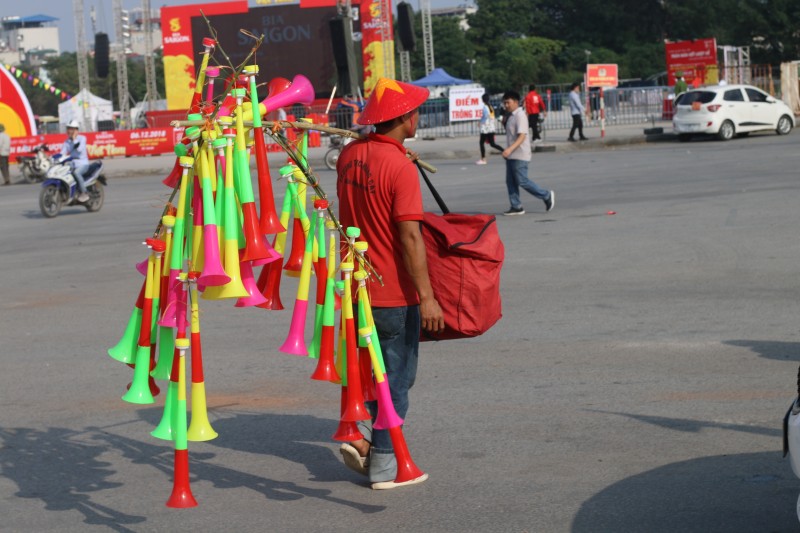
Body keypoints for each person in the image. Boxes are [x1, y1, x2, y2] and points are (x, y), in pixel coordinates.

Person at [336, 77, 445, 490]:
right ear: (403, 118)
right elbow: (410, 237)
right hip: (393, 291)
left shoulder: (349, 156)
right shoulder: (398, 166)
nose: (418, 116)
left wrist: (398, 156)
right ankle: (384, 464)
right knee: (395, 379)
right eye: (415, 111)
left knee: (373, 372)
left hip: (356, 286)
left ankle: (367, 442)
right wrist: (428, 297)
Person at [500, 90, 554, 216]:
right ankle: (516, 206)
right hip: (512, 154)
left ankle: (546, 195)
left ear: (516, 102)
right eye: (504, 103)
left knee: (522, 181)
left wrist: (509, 149)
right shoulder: (511, 116)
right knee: (511, 181)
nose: (506, 105)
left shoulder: (520, 115)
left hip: (520, 154)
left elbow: (522, 136)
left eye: (508, 102)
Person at [60, 120, 90, 202]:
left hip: (83, 164)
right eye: (68, 129)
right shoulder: (67, 141)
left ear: (76, 130)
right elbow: (62, 153)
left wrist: (74, 139)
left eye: (71, 129)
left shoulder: (82, 139)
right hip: (72, 164)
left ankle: (85, 192)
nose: (68, 131)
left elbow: (80, 149)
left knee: (76, 173)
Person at [476, 93, 503, 165]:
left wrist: (481, 122)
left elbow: (486, 115)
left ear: (482, 100)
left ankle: (483, 159)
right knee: (492, 144)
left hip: (485, 127)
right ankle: (504, 151)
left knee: (481, 143)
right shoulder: (490, 106)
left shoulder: (485, 107)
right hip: (491, 127)